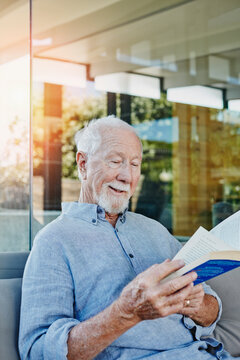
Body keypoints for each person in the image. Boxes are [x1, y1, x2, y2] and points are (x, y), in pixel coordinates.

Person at [19, 116, 236, 360]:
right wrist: (126, 312)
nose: (126, 175)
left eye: (135, 164)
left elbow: (211, 312)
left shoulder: (155, 230)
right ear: (83, 164)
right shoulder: (53, 241)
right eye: (115, 161)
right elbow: (37, 351)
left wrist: (194, 304)